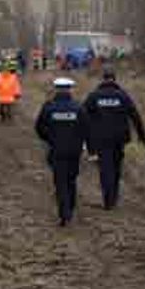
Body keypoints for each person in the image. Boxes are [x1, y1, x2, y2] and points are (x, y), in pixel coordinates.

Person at [83, 65, 145, 209]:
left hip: (101, 139)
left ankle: (108, 200)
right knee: (116, 167)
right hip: (119, 139)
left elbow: (82, 115)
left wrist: (82, 136)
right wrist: (142, 136)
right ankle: (114, 197)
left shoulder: (94, 96)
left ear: (103, 79)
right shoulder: (123, 96)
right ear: (114, 78)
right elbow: (135, 115)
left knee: (105, 168)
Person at [36, 78, 90, 226]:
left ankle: (64, 213)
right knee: (71, 180)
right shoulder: (78, 108)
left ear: (56, 89)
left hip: (56, 150)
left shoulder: (49, 107)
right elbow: (86, 129)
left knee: (60, 182)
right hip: (74, 151)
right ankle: (70, 207)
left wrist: (50, 138)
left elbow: (39, 127)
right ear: (70, 89)